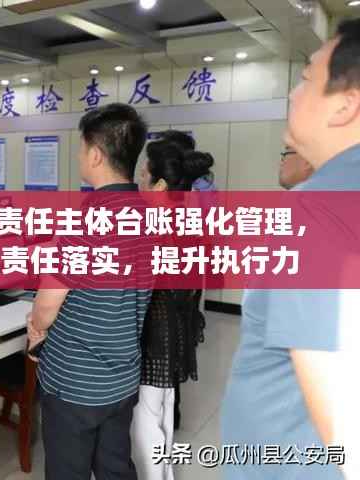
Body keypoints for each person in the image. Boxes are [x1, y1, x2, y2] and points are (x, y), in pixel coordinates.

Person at [221, 17, 360, 479]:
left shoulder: (319, 208)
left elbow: (343, 421)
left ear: (345, 105)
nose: (292, 94)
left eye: (305, 79)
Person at [27, 103, 152, 480]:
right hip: (123, 376)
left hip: (75, 384)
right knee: (115, 468)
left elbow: (47, 305)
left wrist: (36, 329)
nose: (80, 155)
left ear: (96, 154)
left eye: (82, 147)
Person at [131, 139, 214, 480]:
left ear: (160, 184)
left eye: (144, 173)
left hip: (154, 335)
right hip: (174, 331)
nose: (139, 178)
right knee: (162, 415)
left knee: (146, 423)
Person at [158, 130, 215, 430]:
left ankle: (169, 409)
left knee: (170, 340)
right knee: (179, 337)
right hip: (189, 274)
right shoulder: (201, 188)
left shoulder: (184, 198)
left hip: (178, 278)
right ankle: (172, 407)